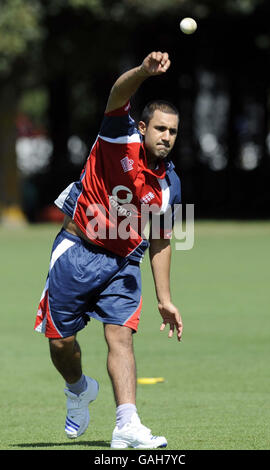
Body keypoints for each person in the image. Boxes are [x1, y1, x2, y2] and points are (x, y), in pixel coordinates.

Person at [34, 51, 183, 449]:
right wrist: (143, 73)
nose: (166, 136)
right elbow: (118, 94)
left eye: (173, 131)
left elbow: (162, 239)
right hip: (76, 250)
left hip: (122, 263)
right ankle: (79, 388)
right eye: (160, 129)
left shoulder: (170, 185)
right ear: (142, 127)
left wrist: (164, 298)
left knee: (121, 337)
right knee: (61, 343)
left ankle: (126, 424)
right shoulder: (118, 136)